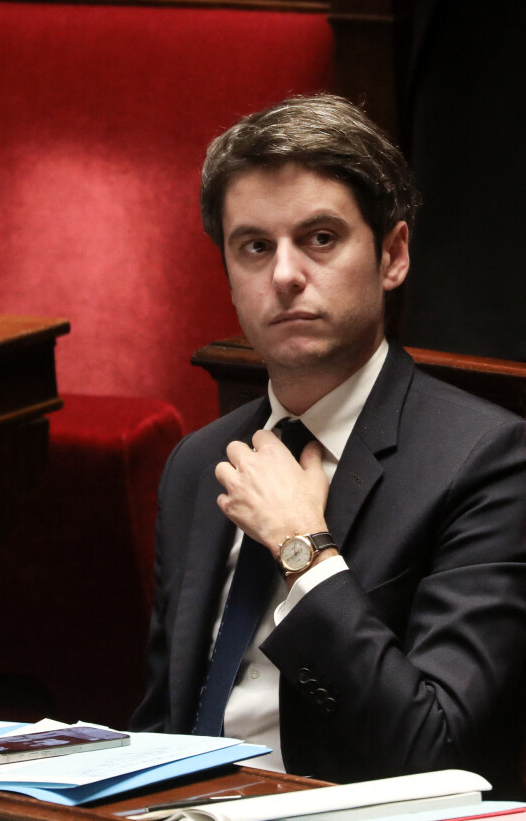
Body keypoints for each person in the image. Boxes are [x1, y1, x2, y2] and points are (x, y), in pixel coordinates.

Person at [130, 95, 526, 797]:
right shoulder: (198, 464)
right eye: (255, 246)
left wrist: (301, 548)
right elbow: (165, 720)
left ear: (393, 254)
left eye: (319, 238)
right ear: (227, 272)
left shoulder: (488, 462)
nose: (284, 274)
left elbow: (439, 752)